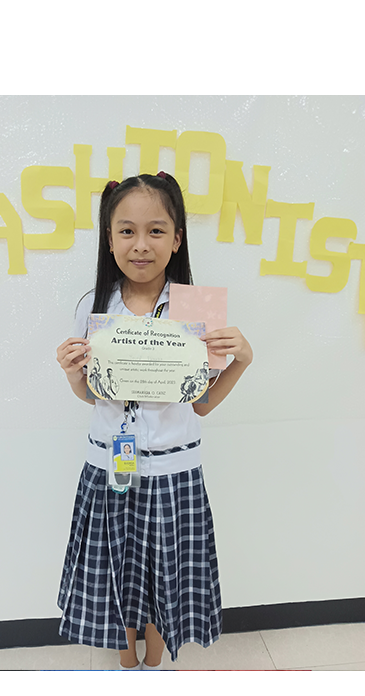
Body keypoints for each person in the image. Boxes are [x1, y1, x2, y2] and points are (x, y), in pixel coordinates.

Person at [55, 172, 253, 670]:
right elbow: (92, 394)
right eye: (127, 231)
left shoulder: (196, 310)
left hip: (173, 471)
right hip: (110, 468)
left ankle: (156, 662)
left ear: (177, 238)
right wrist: (73, 373)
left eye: (156, 230)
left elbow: (200, 403)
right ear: (109, 239)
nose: (141, 244)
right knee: (117, 577)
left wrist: (242, 361)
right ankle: (127, 664)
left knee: (168, 577)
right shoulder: (94, 307)